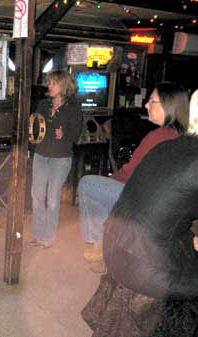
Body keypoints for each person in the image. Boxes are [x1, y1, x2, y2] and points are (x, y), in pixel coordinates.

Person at [81, 89, 198, 337]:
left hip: (116, 246)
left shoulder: (166, 144)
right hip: (143, 264)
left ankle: (93, 244)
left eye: (152, 101)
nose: (146, 105)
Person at [78, 82, 189, 268]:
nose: (146, 105)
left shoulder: (158, 136)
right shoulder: (182, 135)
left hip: (141, 199)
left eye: (152, 101)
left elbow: (129, 174)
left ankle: (99, 244)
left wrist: (108, 182)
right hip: (162, 200)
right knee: (104, 193)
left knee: (88, 184)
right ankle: (112, 244)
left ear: (168, 106)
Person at [30, 70, 82, 248]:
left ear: (64, 86)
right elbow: (35, 127)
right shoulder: (43, 104)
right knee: (36, 196)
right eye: (49, 83)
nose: (49, 86)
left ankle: (49, 236)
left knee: (52, 200)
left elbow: (76, 134)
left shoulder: (73, 108)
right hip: (41, 155)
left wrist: (65, 132)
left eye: (54, 83)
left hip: (60, 159)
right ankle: (37, 234)